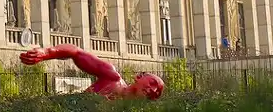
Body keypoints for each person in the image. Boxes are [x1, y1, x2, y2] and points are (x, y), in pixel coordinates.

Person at [19, 44, 164, 100]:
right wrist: (47, 52)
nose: (152, 89)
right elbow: (76, 52)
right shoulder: (112, 78)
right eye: (152, 82)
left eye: (157, 91)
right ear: (139, 76)